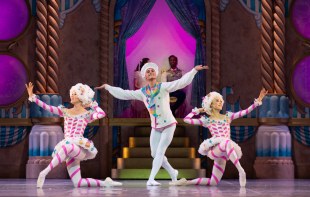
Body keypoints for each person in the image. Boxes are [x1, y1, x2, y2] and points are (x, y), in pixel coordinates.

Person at [96, 62, 208, 186]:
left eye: (152, 71)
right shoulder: (143, 92)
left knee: (160, 152)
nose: (150, 73)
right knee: (154, 154)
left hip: (169, 125)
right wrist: (108, 87)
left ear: (156, 73)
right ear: (145, 76)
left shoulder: (163, 87)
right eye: (148, 72)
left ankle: (151, 179)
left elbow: (180, 82)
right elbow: (125, 94)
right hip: (155, 127)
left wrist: (194, 71)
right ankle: (172, 172)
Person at [25, 82, 122, 188]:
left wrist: (93, 105)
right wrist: (33, 98)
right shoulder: (65, 111)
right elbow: (48, 107)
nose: (72, 95)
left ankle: (44, 173)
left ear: (81, 97)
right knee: (78, 183)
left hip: (79, 148)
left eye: (75, 94)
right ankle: (105, 183)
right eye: (72, 93)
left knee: (67, 147)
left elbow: (101, 114)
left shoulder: (87, 114)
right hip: (69, 148)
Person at [173, 89, 268, 187]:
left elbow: (245, 112)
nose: (220, 102)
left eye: (221, 101)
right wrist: (198, 110)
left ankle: (186, 182)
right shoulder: (207, 120)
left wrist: (258, 100)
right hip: (216, 149)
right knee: (227, 142)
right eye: (217, 100)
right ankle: (241, 170)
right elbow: (186, 120)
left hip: (225, 151)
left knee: (213, 182)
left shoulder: (228, 116)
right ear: (211, 104)